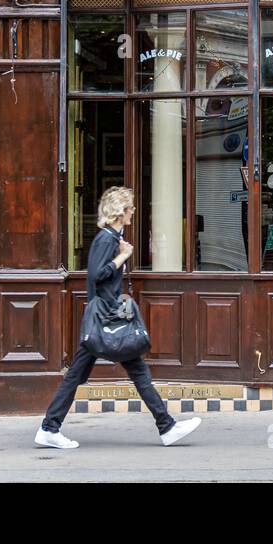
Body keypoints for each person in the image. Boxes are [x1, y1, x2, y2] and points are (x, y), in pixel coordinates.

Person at [35, 186, 201, 449]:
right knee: (134, 372)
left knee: (91, 375)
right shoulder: (106, 240)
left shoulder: (111, 238)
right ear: (120, 212)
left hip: (105, 320)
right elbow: (96, 276)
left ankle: (50, 427)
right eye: (130, 208)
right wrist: (123, 256)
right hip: (106, 320)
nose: (133, 212)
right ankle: (166, 426)